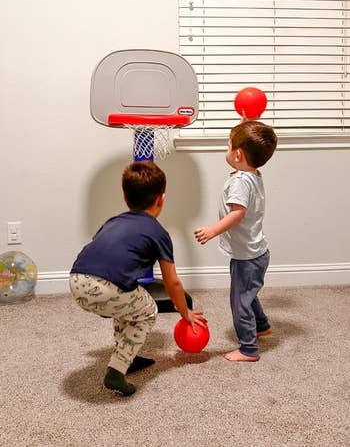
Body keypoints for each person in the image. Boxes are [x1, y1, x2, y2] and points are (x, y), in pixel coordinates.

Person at [70, 161, 206, 395]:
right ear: (161, 199)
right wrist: (185, 312)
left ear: (125, 197)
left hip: (76, 281)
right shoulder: (158, 232)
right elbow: (172, 281)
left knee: (128, 301)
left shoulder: (113, 222)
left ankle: (126, 356)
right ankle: (117, 369)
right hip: (106, 288)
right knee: (147, 312)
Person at [194, 120, 277, 362]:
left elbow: (237, 213)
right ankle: (262, 325)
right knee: (248, 292)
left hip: (247, 257)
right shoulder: (253, 173)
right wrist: (245, 124)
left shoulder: (241, 181)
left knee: (240, 301)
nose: (227, 149)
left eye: (229, 145)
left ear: (238, 154)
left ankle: (248, 349)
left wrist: (212, 231)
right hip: (256, 252)